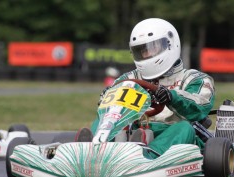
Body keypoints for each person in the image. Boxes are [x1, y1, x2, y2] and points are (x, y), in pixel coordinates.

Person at [83, 18, 215, 156]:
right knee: (102, 121)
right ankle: (92, 151)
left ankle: (147, 156)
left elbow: (200, 106)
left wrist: (171, 97)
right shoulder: (129, 78)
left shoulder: (195, 78)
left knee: (184, 128)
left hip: (172, 134)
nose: (146, 55)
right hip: (136, 131)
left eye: (152, 48)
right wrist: (108, 99)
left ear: (170, 45)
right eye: (142, 51)